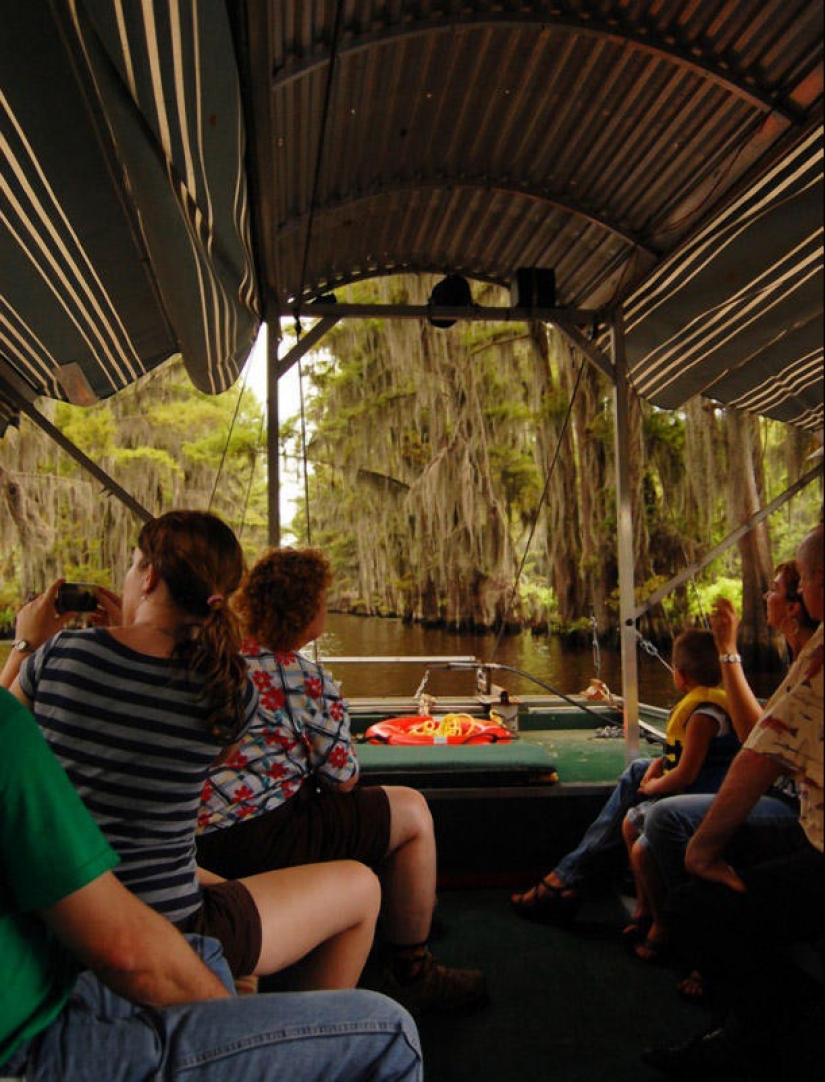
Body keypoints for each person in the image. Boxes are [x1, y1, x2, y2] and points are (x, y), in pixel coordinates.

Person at [2, 512, 381, 991]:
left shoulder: (62, 656)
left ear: (151, 575)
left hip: (58, 910)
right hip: (171, 925)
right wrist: (132, 633)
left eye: (135, 562)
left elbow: (5, 732)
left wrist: (26, 642)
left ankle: (239, 990)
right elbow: (195, 753)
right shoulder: (228, 689)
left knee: (215, 879)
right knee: (362, 887)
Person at [0, 686, 423, 1081]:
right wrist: (234, 1026)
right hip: (30, 1045)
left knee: (204, 951)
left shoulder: (51, 671)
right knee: (392, 1031)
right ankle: (410, 966)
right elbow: (124, 951)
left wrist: (24, 647)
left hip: (49, 981)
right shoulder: (234, 684)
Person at [196, 546, 487, 1015]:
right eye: (324, 602)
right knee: (410, 811)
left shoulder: (208, 661)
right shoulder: (307, 680)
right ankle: (412, 970)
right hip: (265, 837)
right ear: (306, 613)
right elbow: (343, 779)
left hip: (197, 843)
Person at [642, 522, 824, 1079]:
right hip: (802, 817)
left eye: (783, 585)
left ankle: (790, 1032)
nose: (767, 596)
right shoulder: (805, 652)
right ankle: (750, 1026)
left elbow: (758, 748)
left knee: (689, 879)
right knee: (652, 803)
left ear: (811, 592)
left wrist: (705, 850)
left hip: (802, 822)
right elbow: (766, 735)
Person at [510, 629, 736, 926]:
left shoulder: (702, 715)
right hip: (695, 779)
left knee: (635, 811)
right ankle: (577, 878)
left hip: (702, 790)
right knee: (636, 770)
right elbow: (685, 756)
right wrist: (658, 764)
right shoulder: (710, 706)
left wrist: (655, 785)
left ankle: (569, 879)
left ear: (679, 674)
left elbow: (688, 772)